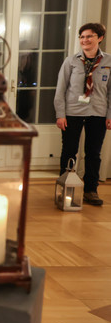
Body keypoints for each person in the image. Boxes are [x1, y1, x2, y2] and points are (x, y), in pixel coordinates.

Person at [54, 22, 111, 206]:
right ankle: (64, 188)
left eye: (89, 36)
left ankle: (91, 190)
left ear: (99, 38)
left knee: (93, 153)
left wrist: (109, 115)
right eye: (82, 37)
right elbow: (60, 90)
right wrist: (60, 114)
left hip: (98, 112)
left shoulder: (108, 62)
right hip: (72, 113)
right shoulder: (71, 61)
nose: (85, 40)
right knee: (69, 150)